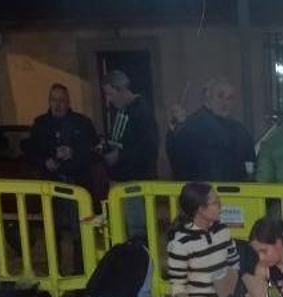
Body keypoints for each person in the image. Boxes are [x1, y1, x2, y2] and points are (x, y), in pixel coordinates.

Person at [165, 182, 241, 297]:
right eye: (215, 202)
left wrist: (229, 295)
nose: (220, 205)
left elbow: (234, 264)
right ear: (200, 209)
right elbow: (177, 288)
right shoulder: (181, 243)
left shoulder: (222, 230)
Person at [101, 70, 160, 238]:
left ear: (121, 89)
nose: (108, 99)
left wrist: (120, 155)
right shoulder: (121, 110)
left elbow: (149, 148)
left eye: (110, 93)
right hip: (119, 180)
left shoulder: (141, 110)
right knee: (122, 229)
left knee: (137, 231)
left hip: (134, 180)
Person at [169, 77, 256, 183]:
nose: (225, 102)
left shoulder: (240, 130)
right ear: (207, 98)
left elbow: (250, 165)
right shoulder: (191, 127)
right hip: (203, 194)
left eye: (230, 98)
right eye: (220, 96)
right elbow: (179, 164)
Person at [27, 83, 99, 191]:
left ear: (68, 102)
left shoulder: (82, 123)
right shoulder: (40, 124)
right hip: (49, 185)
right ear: (49, 101)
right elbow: (31, 152)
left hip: (77, 183)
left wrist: (73, 153)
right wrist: (45, 162)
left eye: (61, 100)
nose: (57, 104)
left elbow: (94, 151)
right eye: (53, 100)